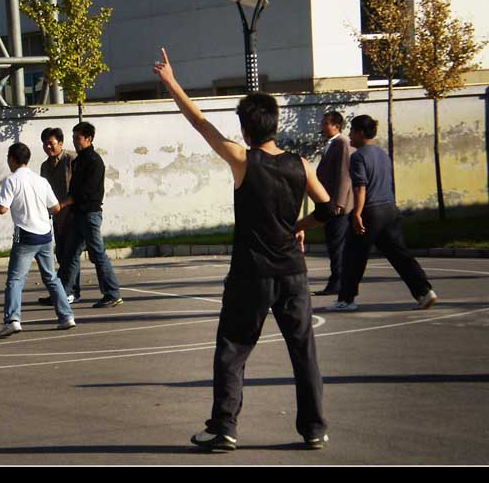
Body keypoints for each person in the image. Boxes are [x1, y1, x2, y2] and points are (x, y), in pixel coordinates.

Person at [153, 48, 332, 452]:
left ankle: (224, 427)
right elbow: (329, 209)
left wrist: (172, 83)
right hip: (292, 273)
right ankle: (314, 428)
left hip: (251, 274)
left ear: (246, 129)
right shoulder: (301, 164)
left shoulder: (242, 160)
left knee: (233, 350)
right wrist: (299, 226)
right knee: (303, 351)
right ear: (274, 124)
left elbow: (201, 123)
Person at [329, 115, 438, 311]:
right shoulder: (382, 154)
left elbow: (360, 188)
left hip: (371, 211)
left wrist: (357, 214)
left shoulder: (358, 156)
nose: (349, 135)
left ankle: (346, 299)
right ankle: (424, 291)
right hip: (389, 209)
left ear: (360, 133)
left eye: (352, 131)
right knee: (399, 254)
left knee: (353, 256)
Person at [0, 142, 76, 337]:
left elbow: (2, 208)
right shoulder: (41, 180)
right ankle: (66, 316)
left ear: (12, 159)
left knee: (15, 279)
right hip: (45, 234)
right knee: (51, 277)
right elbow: (55, 208)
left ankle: (12, 319)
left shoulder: (11, 181)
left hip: (24, 234)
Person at [56, 122, 123, 308]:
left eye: (77, 138)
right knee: (70, 254)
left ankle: (112, 293)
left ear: (89, 139)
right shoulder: (78, 161)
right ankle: (64, 292)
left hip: (90, 214)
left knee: (97, 254)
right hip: (77, 214)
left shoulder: (94, 161)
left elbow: (87, 191)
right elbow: (74, 189)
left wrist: (65, 203)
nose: (74, 141)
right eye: (73, 138)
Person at [37, 127, 81, 306]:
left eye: (51, 143)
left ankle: (71, 292)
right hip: (56, 216)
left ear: (61, 143)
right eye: (45, 144)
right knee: (61, 254)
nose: (48, 147)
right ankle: (61, 290)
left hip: (73, 214)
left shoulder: (72, 159)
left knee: (71, 255)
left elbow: (78, 189)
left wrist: (65, 206)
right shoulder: (45, 166)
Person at [312, 112, 354, 296]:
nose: (322, 126)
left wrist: (340, 202)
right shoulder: (332, 143)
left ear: (336, 126)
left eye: (325, 123)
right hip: (329, 202)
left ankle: (338, 282)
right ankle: (338, 281)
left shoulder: (342, 143)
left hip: (337, 205)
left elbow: (345, 174)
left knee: (337, 245)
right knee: (333, 243)